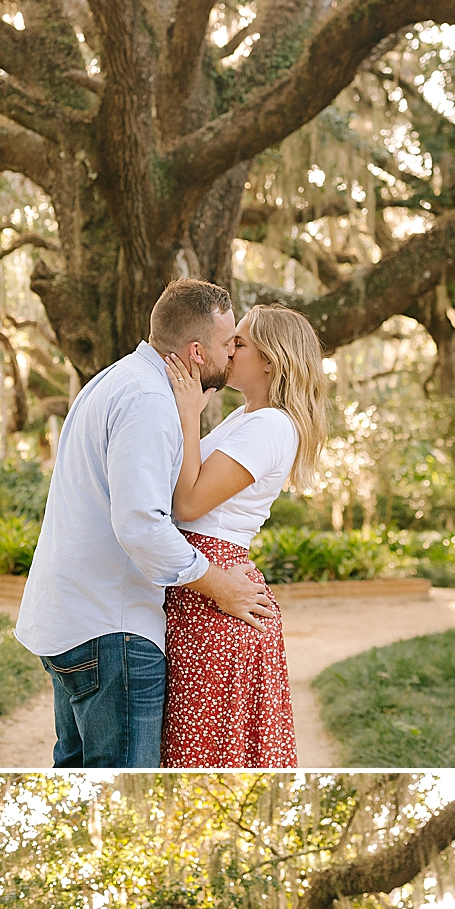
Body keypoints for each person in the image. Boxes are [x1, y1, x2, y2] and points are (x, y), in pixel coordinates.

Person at [14, 278, 274, 768]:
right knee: (124, 783)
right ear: (197, 352)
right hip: (112, 633)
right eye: (226, 344)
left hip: (72, 620)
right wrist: (220, 586)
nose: (232, 354)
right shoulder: (148, 400)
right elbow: (141, 524)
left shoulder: (117, 379)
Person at [160, 303, 329, 767]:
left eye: (240, 343)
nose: (228, 352)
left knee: (203, 747)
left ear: (271, 359)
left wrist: (189, 411)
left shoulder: (271, 425)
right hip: (202, 583)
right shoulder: (245, 417)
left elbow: (189, 503)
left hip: (215, 596)